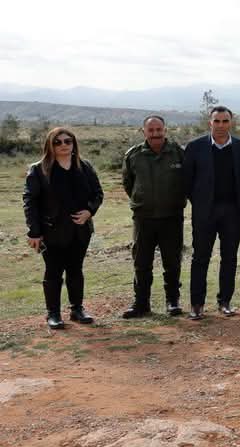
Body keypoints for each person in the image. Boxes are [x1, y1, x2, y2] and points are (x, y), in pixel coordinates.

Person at [22, 128, 103, 329]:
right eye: (58, 142)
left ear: (74, 143)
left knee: (76, 270)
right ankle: (53, 313)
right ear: (50, 145)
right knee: (53, 272)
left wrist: (89, 212)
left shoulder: (84, 167)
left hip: (81, 230)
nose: (64, 145)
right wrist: (34, 232)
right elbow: (30, 201)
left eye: (68, 141)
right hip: (52, 231)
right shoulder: (39, 169)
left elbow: (98, 193)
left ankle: (77, 309)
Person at [184, 105, 240, 320]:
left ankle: (225, 302)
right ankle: (197, 304)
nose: (221, 125)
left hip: (232, 212)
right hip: (205, 213)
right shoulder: (195, 147)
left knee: (229, 258)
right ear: (209, 123)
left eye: (225, 121)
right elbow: (187, 182)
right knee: (200, 258)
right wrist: (200, 203)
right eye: (217, 121)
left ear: (231, 122)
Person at [121, 115, 187, 319]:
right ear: (144, 132)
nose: (156, 134)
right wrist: (142, 200)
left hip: (172, 217)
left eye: (159, 130)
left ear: (165, 130)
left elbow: (188, 181)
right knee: (141, 262)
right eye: (151, 130)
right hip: (144, 218)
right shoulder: (133, 155)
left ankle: (172, 301)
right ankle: (141, 304)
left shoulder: (178, 153)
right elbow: (128, 184)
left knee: (172, 261)